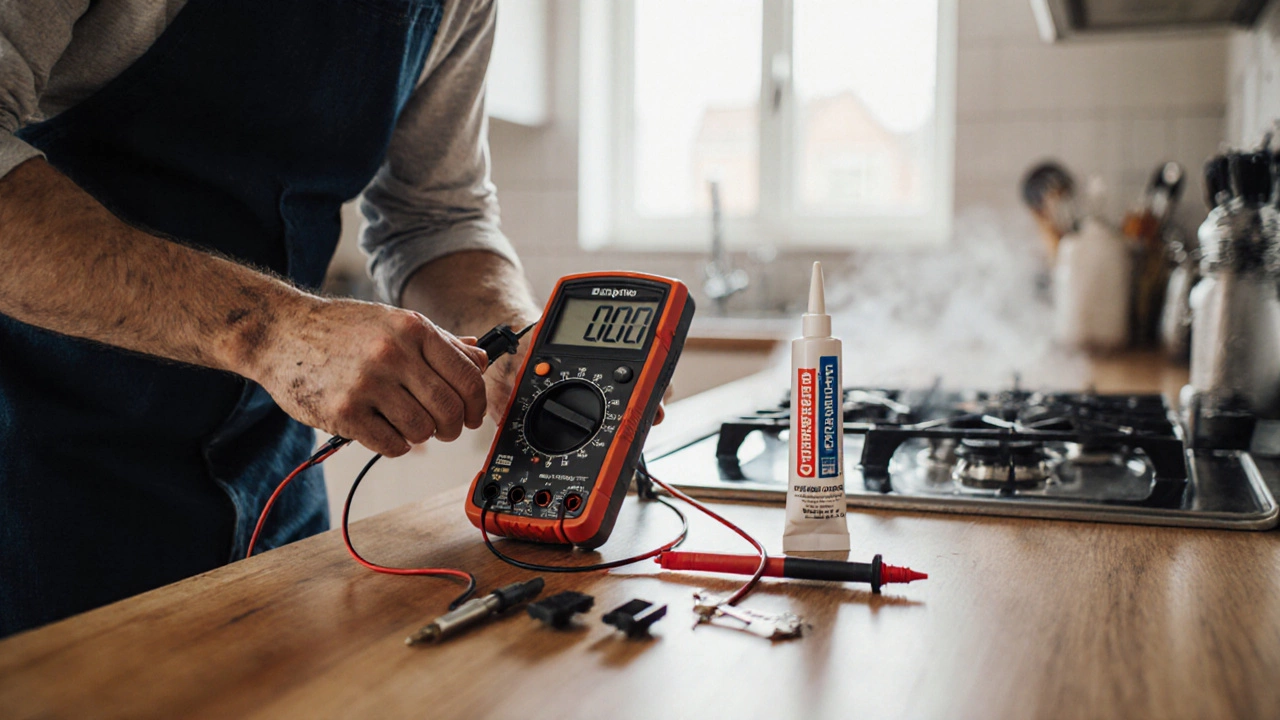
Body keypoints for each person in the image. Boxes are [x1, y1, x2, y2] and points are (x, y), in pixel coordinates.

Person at [0, 0, 541, 637]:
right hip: (33, 480)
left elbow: (438, 217)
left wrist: (515, 332)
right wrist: (273, 331)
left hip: (271, 481)